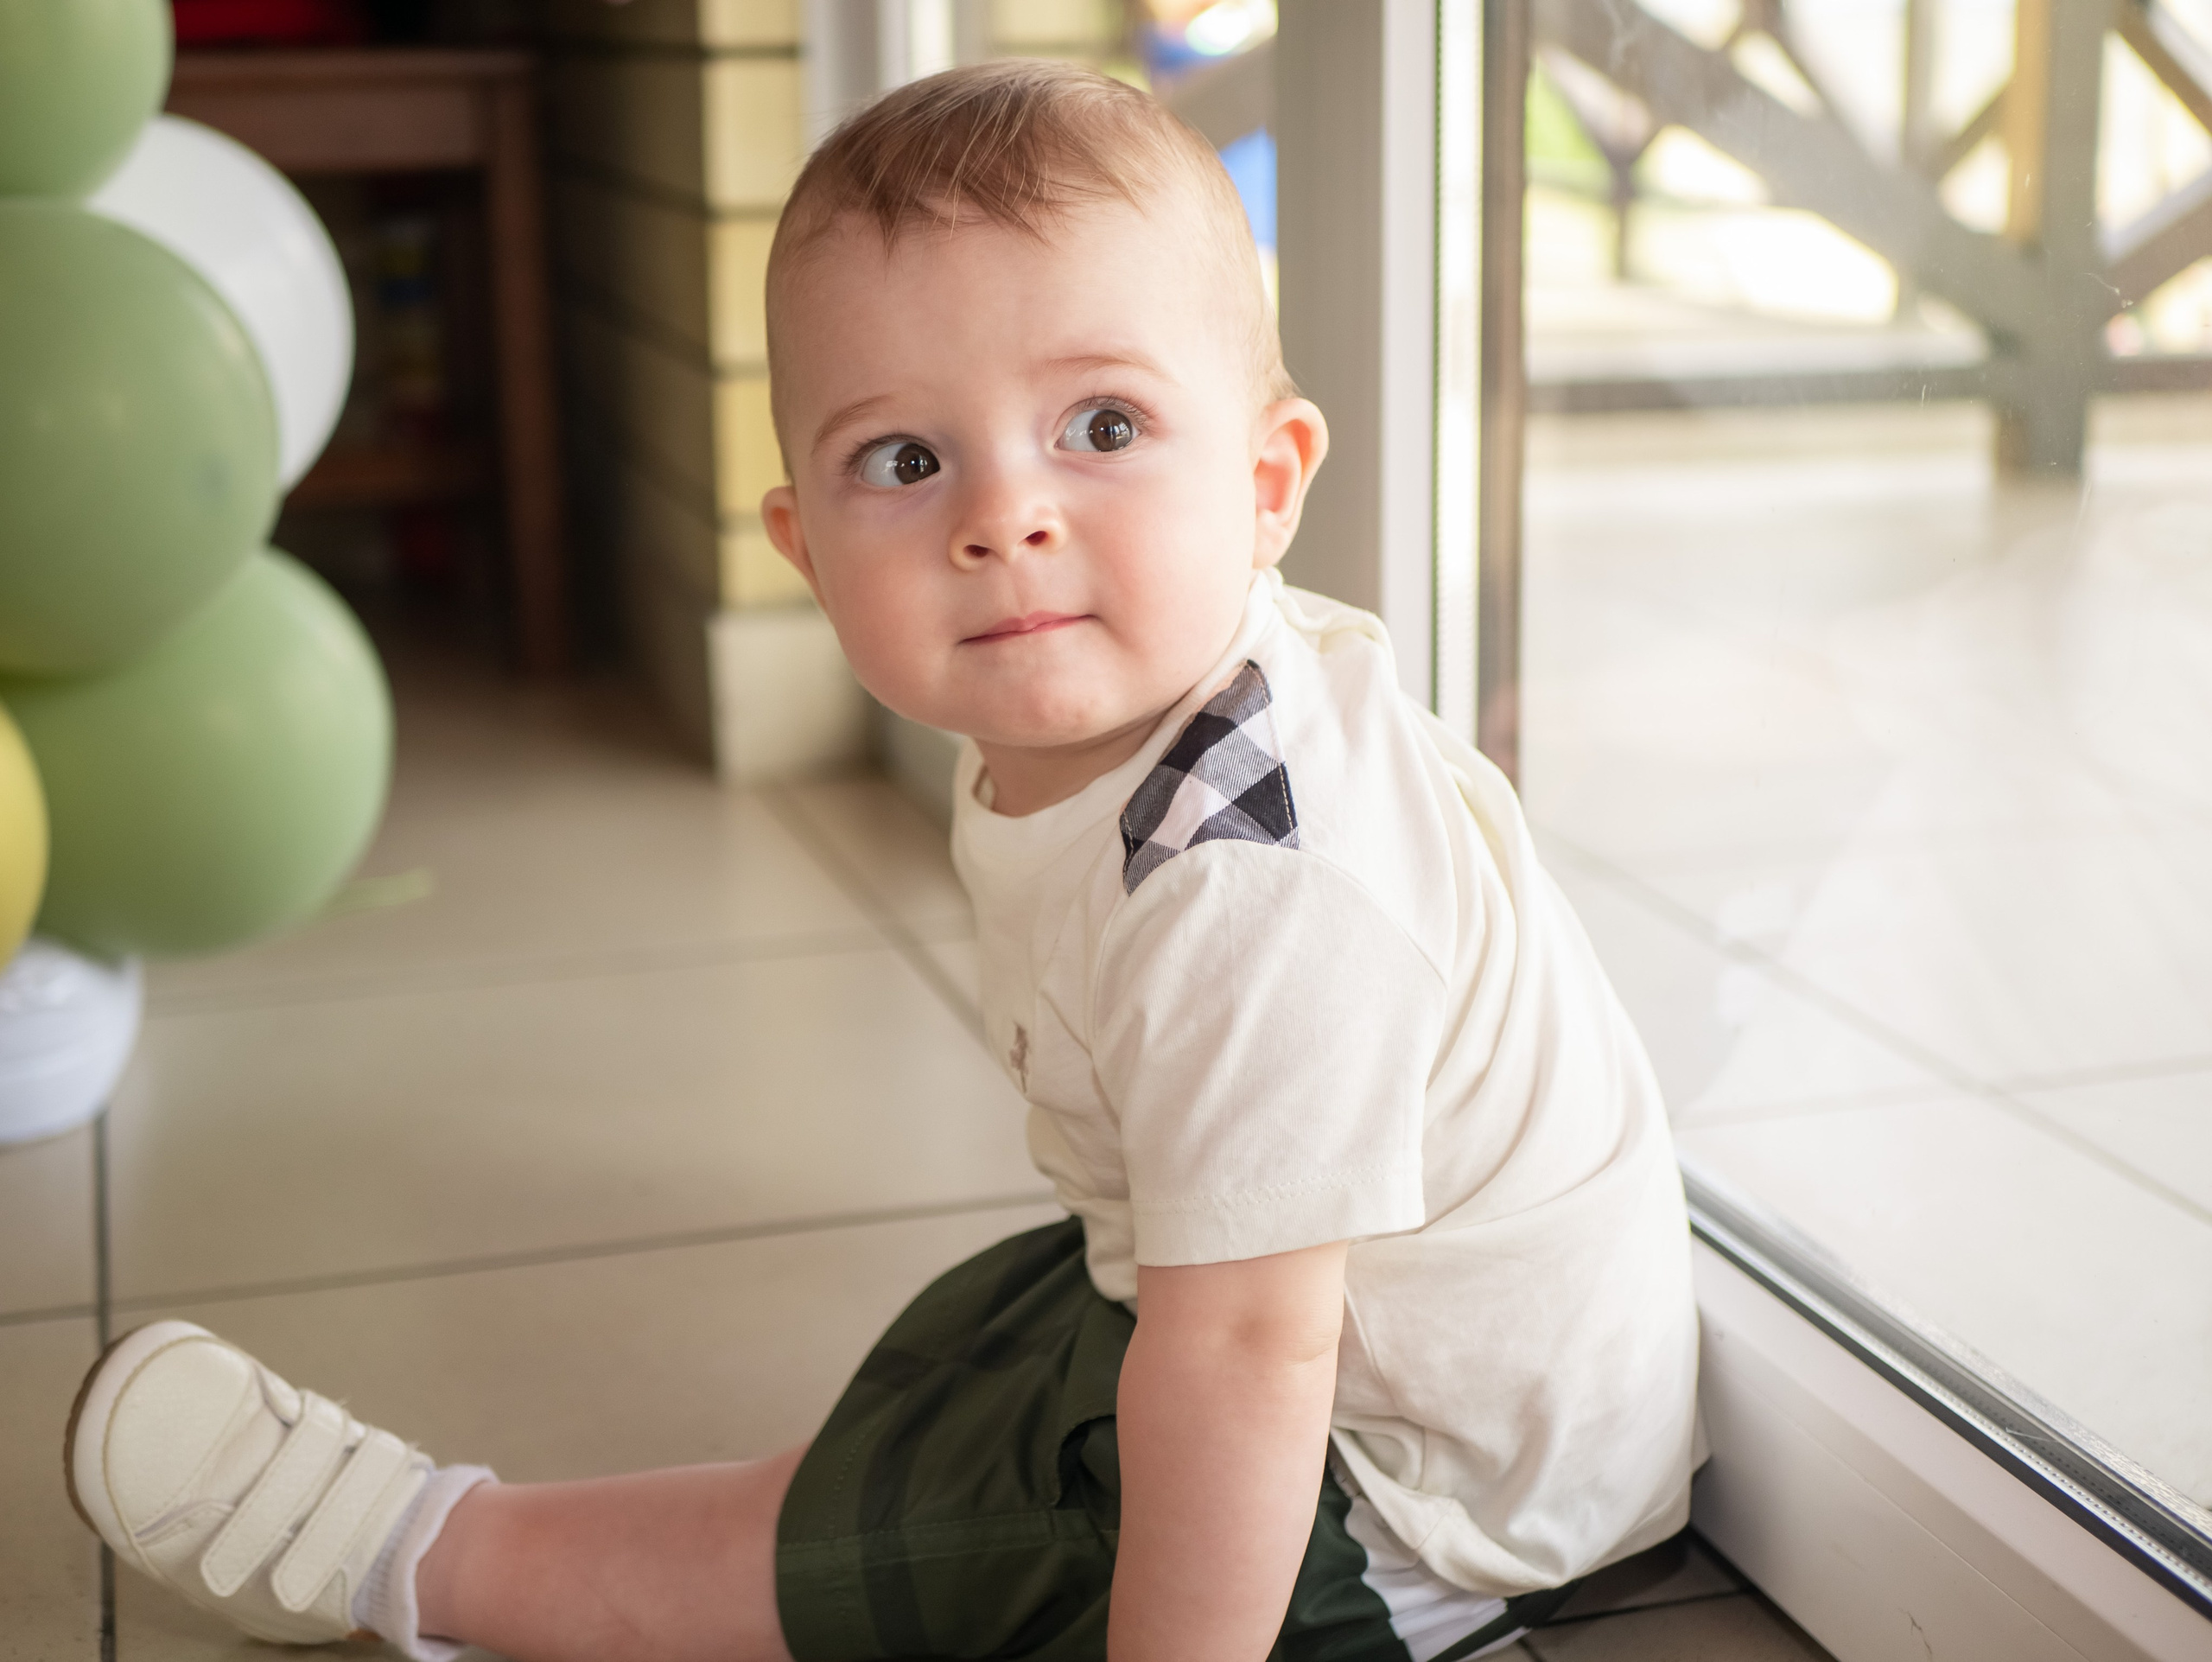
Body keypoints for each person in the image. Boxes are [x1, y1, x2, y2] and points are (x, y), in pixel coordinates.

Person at [62, 61, 1700, 1662]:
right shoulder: (1145, 723)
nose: (1004, 516)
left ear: (1267, 484)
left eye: (1103, 424)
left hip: (1409, 1495)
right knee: (976, 1340)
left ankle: (426, 1553)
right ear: (809, 553)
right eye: (906, 462)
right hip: (1330, 1340)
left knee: (883, 1540)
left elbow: (1257, 1356)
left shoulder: (1251, 887)